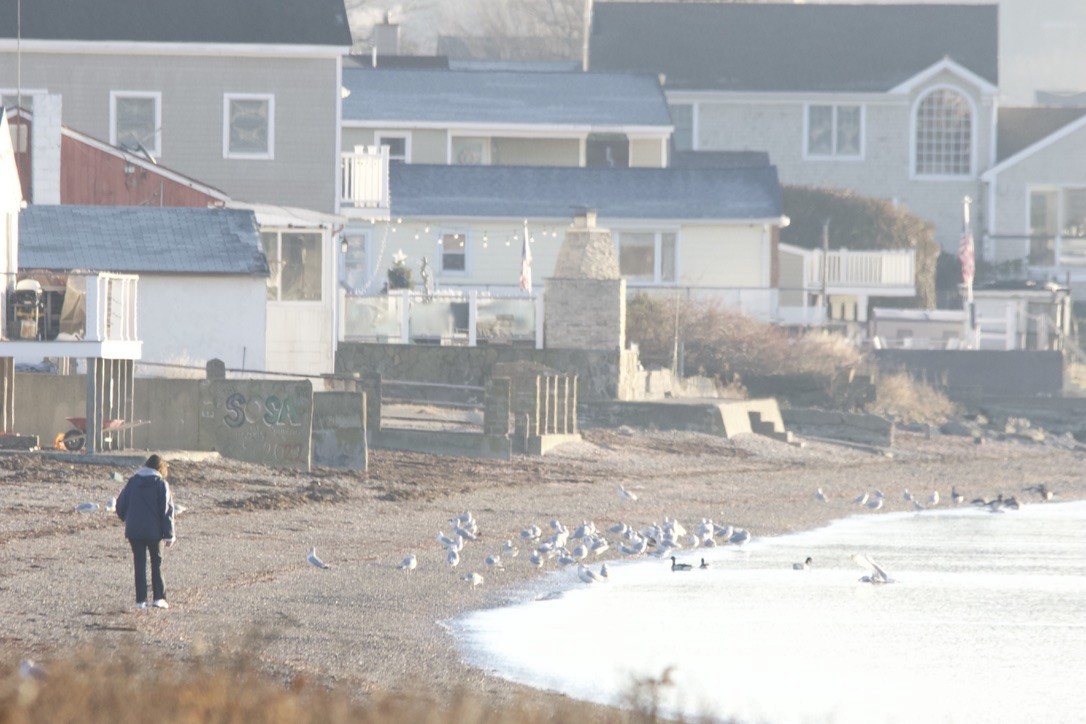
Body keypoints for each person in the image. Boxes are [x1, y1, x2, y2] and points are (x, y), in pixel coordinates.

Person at [115, 454, 176, 610]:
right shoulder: (161, 484)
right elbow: (166, 511)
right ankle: (159, 598)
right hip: (154, 532)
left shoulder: (133, 481)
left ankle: (141, 600)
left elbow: (120, 504)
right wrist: (169, 534)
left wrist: (126, 519)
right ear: (160, 468)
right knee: (157, 563)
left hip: (134, 531)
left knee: (139, 564)